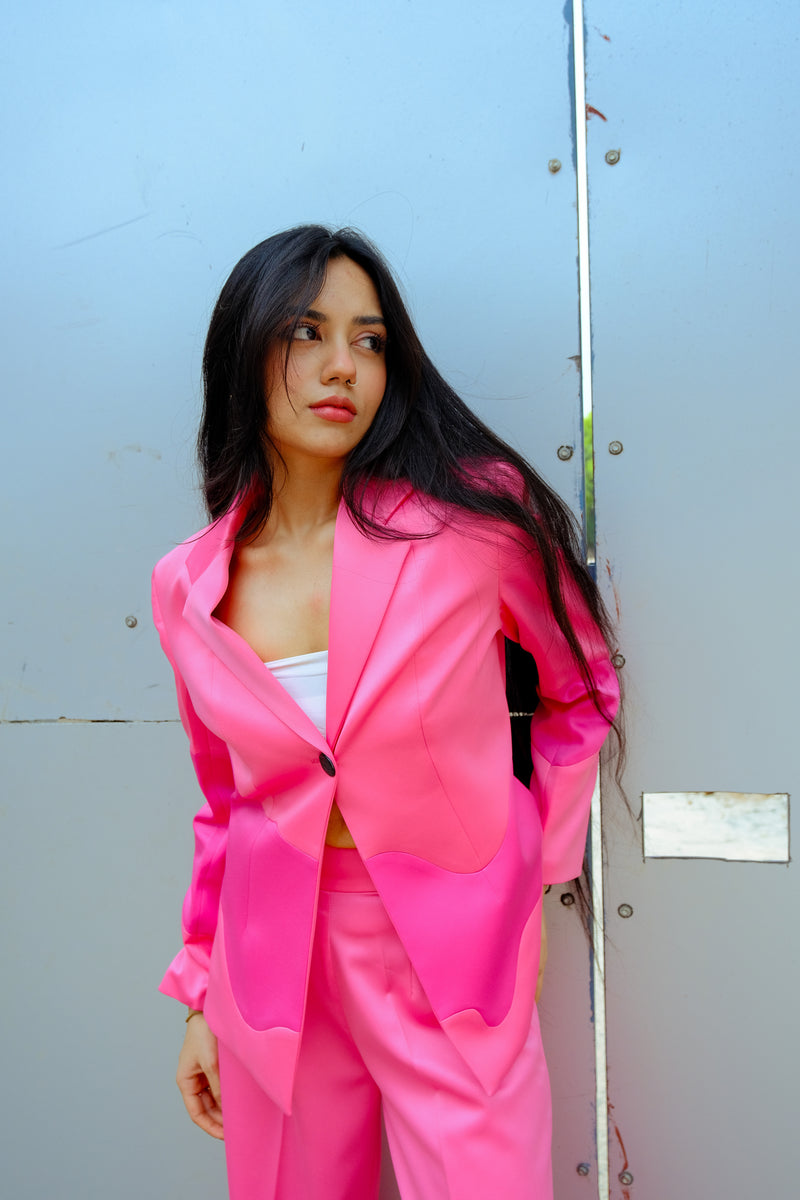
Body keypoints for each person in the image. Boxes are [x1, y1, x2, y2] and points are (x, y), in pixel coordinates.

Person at [152, 224, 620, 1200]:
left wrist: (535, 883)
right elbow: (224, 803)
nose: (343, 367)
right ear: (243, 348)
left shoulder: (471, 522)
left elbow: (580, 692)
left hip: (452, 947)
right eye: (306, 332)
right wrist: (199, 993)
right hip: (270, 967)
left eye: (369, 340)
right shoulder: (188, 584)